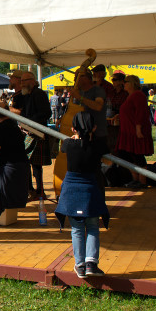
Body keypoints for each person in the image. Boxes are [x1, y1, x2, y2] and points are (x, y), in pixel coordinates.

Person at [54, 111, 110, 278]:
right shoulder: (98, 146)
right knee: (92, 226)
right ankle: (91, 263)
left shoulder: (68, 143)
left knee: (77, 229)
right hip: (90, 189)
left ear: (73, 128)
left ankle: (80, 265)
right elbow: (107, 159)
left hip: (71, 189)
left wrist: (75, 137)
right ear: (94, 127)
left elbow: (67, 145)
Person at [11, 70, 52, 198]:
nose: (22, 84)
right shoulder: (28, 95)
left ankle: (39, 191)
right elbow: (26, 114)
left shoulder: (39, 94)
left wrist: (30, 123)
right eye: (21, 81)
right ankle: (31, 189)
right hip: (30, 131)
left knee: (36, 164)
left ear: (32, 81)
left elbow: (46, 113)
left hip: (37, 132)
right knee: (26, 161)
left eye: (24, 81)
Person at [116, 75, 154, 189]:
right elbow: (130, 111)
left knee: (137, 155)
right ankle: (135, 179)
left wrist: (138, 128)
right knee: (127, 154)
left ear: (132, 83)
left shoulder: (138, 95)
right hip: (128, 131)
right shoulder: (130, 96)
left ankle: (142, 181)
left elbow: (141, 113)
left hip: (134, 131)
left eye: (126, 82)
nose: (123, 84)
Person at [69, 67, 109, 158]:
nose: (74, 80)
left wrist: (79, 98)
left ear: (85, 78)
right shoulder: (79, 92)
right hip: (83, 136)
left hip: (97, 135)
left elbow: (98, 106)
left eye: (77, 77)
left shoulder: (98, 90)